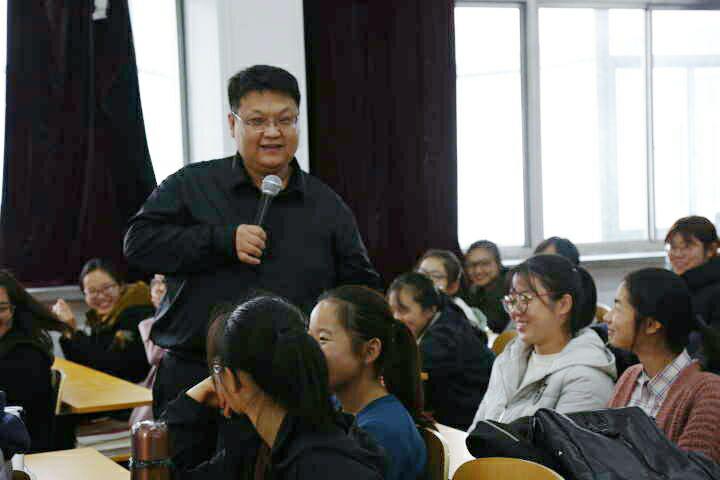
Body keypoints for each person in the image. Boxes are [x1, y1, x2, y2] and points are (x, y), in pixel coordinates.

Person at [123, 65, 381, 417]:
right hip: (196, 376)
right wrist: (220, 240)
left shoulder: (326, 205)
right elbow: (138, 244)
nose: (272, 132)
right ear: (233, 124)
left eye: (285, 120)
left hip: (290, 381)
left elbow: (361, 287)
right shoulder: (192, 185)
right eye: (258, 121)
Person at [162, 295, 386, 479]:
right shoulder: (261, 446)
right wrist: (193, 401)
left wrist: (191, 403)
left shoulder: (318, 463)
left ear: (230, 379)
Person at [468, 255, 616, 429]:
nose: (515, 312)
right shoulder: (508, 359)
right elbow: (476, 430)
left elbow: (563, 445)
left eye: (525, 299)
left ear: (563, 304)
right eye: (512, 301)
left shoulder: (586, 379)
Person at [309, 286, 429, 480]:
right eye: (309, 337)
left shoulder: (381, 432)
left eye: (323, 339)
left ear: (370, 351)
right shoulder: (338, 406)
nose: (308, 349)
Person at [606, 268, 720, 462]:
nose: (607, 318)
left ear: (651, 325)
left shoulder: (709, 392)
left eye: (618, 308)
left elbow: (692, 472)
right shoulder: (630, 376)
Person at [388, 272, 494, 430]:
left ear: (429, 310)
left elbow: (407, 386)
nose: (396, 318)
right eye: (392, 311)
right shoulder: (445, 314)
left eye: (403, 310)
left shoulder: (443, 339)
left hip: (471, 425)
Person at [0, 270, 71, 452]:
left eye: (1, 309)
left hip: (20, 456)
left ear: (15, 310)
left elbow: (12, 424)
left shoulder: (25, 356)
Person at [52, 258, 154, 383]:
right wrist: (68, 330)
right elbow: (84, 364)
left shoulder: (136, 314)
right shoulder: (99, 318)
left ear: (121, 286)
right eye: (92, 291)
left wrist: (73, 329)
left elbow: (112, 367)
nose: (100, 296)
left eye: (107, 288)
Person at [665, 216, 720, 357]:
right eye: (673, 247)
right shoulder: (676, 285)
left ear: (711, 249)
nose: (677, 254)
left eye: (687, 247)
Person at [416, 249, 489, 332]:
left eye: (436, 276)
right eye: (421, 274)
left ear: (453, 287)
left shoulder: (459, 317)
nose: (425, 280)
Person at [129, 274, 168, 425]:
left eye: (165, 282)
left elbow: (155, 356)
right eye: (155, 283)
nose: (159, 288)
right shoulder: (148, 323)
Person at [463, 240, 511, 333]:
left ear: (498, 263)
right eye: (471, 265)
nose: (478, 271)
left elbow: (488, 326)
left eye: (485, 264)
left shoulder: (510, 287)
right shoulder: (476, 288)